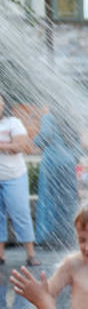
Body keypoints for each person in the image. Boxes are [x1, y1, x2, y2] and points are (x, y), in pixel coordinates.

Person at [0, 90, 38, 265]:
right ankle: (0, 256)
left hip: (14, 177)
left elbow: (21, 146)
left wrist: (4, 145)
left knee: (20, 213)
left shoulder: (13, 122)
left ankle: (31, 254)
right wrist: (8, 144)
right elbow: (13, 145)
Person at [34, 108, 81, 248]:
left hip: (52, 164)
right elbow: (78, 144)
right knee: (68, 201)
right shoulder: (71, 119)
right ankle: (67, 237)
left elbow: (45, 136)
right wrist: (72, 159)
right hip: (68, 164)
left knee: (49, 200)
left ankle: (48, 238)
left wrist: (36, 141)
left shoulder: (49, 117)